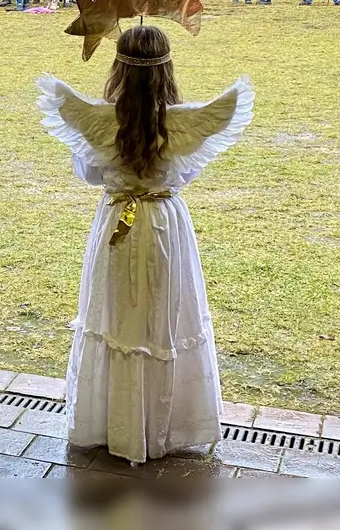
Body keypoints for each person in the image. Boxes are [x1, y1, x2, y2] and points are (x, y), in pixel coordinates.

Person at [39, 25, 253, 464]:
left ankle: (112, 422)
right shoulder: (184, 124)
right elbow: (187, 173)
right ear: (167, 68)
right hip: (163, 224)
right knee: (163, 317)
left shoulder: (98, 120)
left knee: (117, 316)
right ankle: (164, 424)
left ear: (118, 66)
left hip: (118, 219)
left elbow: (90, 174)